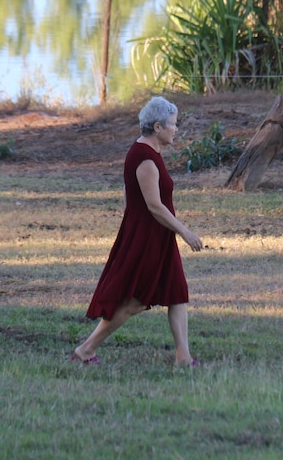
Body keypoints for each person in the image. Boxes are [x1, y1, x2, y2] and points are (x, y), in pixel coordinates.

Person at [70, 96, 203, 367]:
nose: (175, 129)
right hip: (148, 238)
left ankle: (183, 357)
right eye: (172, 125)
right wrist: (185, 232)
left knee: (177, 293)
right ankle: (85, 350)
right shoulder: (144, 158)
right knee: (135, 302)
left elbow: (130, 195)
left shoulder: (149, 152)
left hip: (159, 236)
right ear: (157, 127)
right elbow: (154, 206)